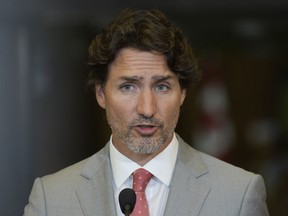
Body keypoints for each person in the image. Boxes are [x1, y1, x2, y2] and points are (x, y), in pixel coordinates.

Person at [23, 8, 269, 216]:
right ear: (101, 94)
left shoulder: (239, 194)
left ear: (182, 93)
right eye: (128, 86)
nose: (147, 109)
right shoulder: (50, 199)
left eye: (162, 87)